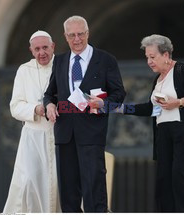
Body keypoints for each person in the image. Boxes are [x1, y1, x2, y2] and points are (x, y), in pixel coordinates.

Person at [44, 15, 126, 212]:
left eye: (80, 34)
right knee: (68, 193)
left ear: (88, 33)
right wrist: (48, 105)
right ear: (65, 37)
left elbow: (119, 94)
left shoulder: (105, 60)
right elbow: (49, 94)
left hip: (92, 132)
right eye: (72, 35)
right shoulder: (60, 61)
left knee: (94, 188)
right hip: (64, 134)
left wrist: (103, 103)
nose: (77, 39)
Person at [121, 34, 184, 212]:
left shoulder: (181, 70)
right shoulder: (157, 80)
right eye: (147, 57)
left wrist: (177, 102)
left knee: (180, 178)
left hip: (182, 132)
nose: (149, 62)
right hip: (163, 134)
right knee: (163, 181)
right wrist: (117, 108)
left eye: (152, 57)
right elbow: (149, 108)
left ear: (166, 55)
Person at [3, 30, 60, 213]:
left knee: (58, 185)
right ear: (31, 50)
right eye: (37, 49)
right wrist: (35, 109)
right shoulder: (24, 70)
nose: (41, 52)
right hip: (33, 137)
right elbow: (15, 106)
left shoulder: (63, 65)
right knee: (28, 182)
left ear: (53, 47)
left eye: (45, 47)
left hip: (59, 134)